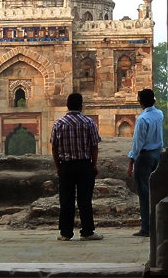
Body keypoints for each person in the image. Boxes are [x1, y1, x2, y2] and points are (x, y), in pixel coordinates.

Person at [50, 93, 103, 241]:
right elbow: (94, 146)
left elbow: (54, 147)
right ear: (81, 106)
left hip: (66, 165)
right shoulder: (88, 122)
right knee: (85, 199)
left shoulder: (59, 123)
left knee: (66, 199)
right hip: (84, 165)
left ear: (67, 106)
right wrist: (94, 164)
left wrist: (58, 166)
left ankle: (66, 233)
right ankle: (87, 232)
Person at [127, 88, 164, 238]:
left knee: (144, 193)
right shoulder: (159, 114)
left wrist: (131, 162)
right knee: (156, 191)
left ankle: (146, 228)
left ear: (139, 102)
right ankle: (157, 224)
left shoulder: (142, 119)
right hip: (157, 154)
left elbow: (137, 143)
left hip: (144, 157)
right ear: (154, 100)